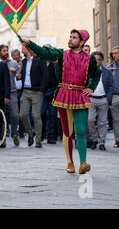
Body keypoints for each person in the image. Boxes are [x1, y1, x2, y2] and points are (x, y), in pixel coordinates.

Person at [21, 29, 101, 174]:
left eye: (74, 37)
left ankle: (83, 163)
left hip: (79, 95)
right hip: (63, 94)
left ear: (82, 42)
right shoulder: (62, 54)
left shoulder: (90, 59)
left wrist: (91, 88)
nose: (70, 39)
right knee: (67, 132)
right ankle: (70, 162)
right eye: (70, 37)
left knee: (81, 131)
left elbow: (97, 73)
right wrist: (30, 44)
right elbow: (45, 53)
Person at [19, 43, 48, 148]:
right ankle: (30, 133)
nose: (21, 50)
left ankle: (38, 140)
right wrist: (19, 76)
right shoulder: (24, 62)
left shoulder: (39, 60)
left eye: (23, 48)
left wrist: (42, 90)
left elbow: (45, 76)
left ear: (28, 49)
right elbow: (22, 75)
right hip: (25, 91)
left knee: (36, 116)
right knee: (22, 115)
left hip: (37, 92)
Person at [88, 52, 114, 151]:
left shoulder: (107, 71)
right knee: (90, 120)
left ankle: (102, 142)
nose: (97, 61)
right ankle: (94, 139)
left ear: (102, 60)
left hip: (103, 99)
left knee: (102, 122)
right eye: (95, 59)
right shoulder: (89, 71)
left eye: (99, 59)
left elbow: (111, 86)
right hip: (91, 99)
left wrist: (108, 99)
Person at [0, 45, 21, 146]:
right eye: (4, 51)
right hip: (1, 93)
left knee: (15, 115)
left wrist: (17, 74)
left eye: (7, 50)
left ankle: (14, 133)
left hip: (12, 92)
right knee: (2, 116)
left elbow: (19, 76)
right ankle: (2, 138)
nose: (6, 52)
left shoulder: (14, 63)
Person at [41, 44, 59, 145]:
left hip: (53, 90)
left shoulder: (55, 62)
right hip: (42, 91)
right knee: (42, 113)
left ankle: (51, 136)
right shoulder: (40, 61)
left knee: (52, 114)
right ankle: (42, 134)